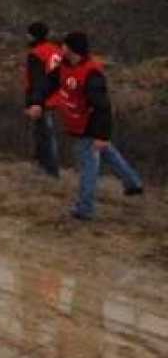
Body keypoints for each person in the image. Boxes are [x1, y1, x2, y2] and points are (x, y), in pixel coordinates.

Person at [53, 32, 143, 221]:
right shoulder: (66, 65)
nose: (61, 48)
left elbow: (103, 107)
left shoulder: (91, 73)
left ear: (71, 48)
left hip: (89, 126)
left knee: (88, 168)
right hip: (82, 123)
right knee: (107, 153)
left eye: (64, 45)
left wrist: (101, 135)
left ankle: (84, 209)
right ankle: (133, 183)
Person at [23, 22, 63, 178]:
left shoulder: (36, 53)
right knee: (46, 133)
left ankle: (49, 171)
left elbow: (36, 81)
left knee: (44, 135)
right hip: (58, 97)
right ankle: (48, 169)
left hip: (43, 100)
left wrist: (33, 102)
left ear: (33, 36)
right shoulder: (56, 51)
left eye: (28, 34)